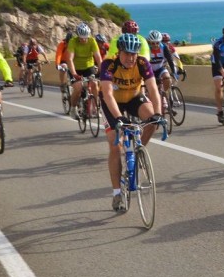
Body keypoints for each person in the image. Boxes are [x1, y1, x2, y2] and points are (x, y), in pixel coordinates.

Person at [99, 32, 164, 212]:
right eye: (127, 53)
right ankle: (117, 193)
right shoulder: (109, 64)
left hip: (134, 97)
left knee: (152, 121)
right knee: (115, 144)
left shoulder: (142, 63)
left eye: (133, 53)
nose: (130, 57)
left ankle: (136, 153)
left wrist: (158, 113)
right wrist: (118, 117)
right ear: (119, 52)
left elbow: (152, 89)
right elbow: (108, 94)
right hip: (112, 103)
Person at [65, 23, 103, 120]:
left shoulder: (92, 41)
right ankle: (73, 108)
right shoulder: (73, 42)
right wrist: (74, 74)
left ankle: (95, 108)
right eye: (81, 38)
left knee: (94, 83)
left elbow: (98, 57)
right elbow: (69, 59)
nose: (84, 40)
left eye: (86, 38)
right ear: (78, 36)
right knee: (78, 87)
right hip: (75, 67)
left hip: (88, 66)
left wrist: (102, 71)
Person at [146, 30, 174, 116]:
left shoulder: (164, 47)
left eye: (157, 43)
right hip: (150, 70)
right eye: (153, 43)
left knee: (167, 78)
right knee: (152, 88)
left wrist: (173, 71)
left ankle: (163, 95)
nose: (155, 45)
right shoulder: (146, 48)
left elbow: (170, 60)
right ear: (150, 42)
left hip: (160, 68)